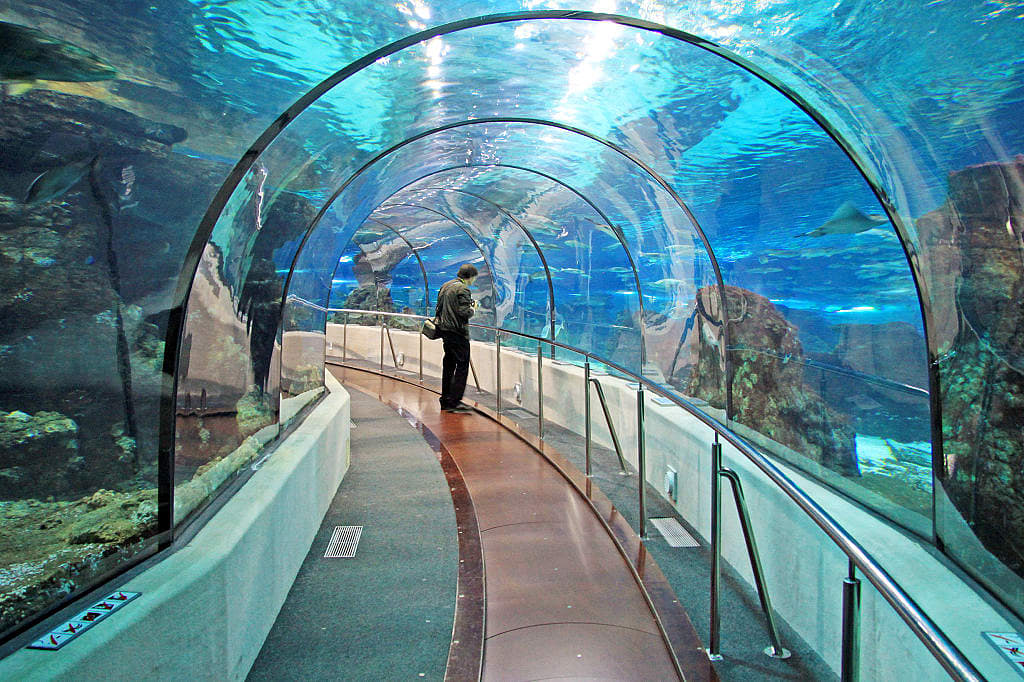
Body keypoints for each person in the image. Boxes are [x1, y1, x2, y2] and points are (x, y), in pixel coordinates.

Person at [435, 263, 478, 413]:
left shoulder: (446, 285)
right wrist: (473, 309)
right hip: (458, 333)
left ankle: (445, 399)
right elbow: (464, 312)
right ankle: (455, 402)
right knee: (462, 366)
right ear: (470, 277)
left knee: (448, 366)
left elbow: (439, 307)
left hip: (445, 332)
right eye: (474, 278)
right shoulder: (463, 288)